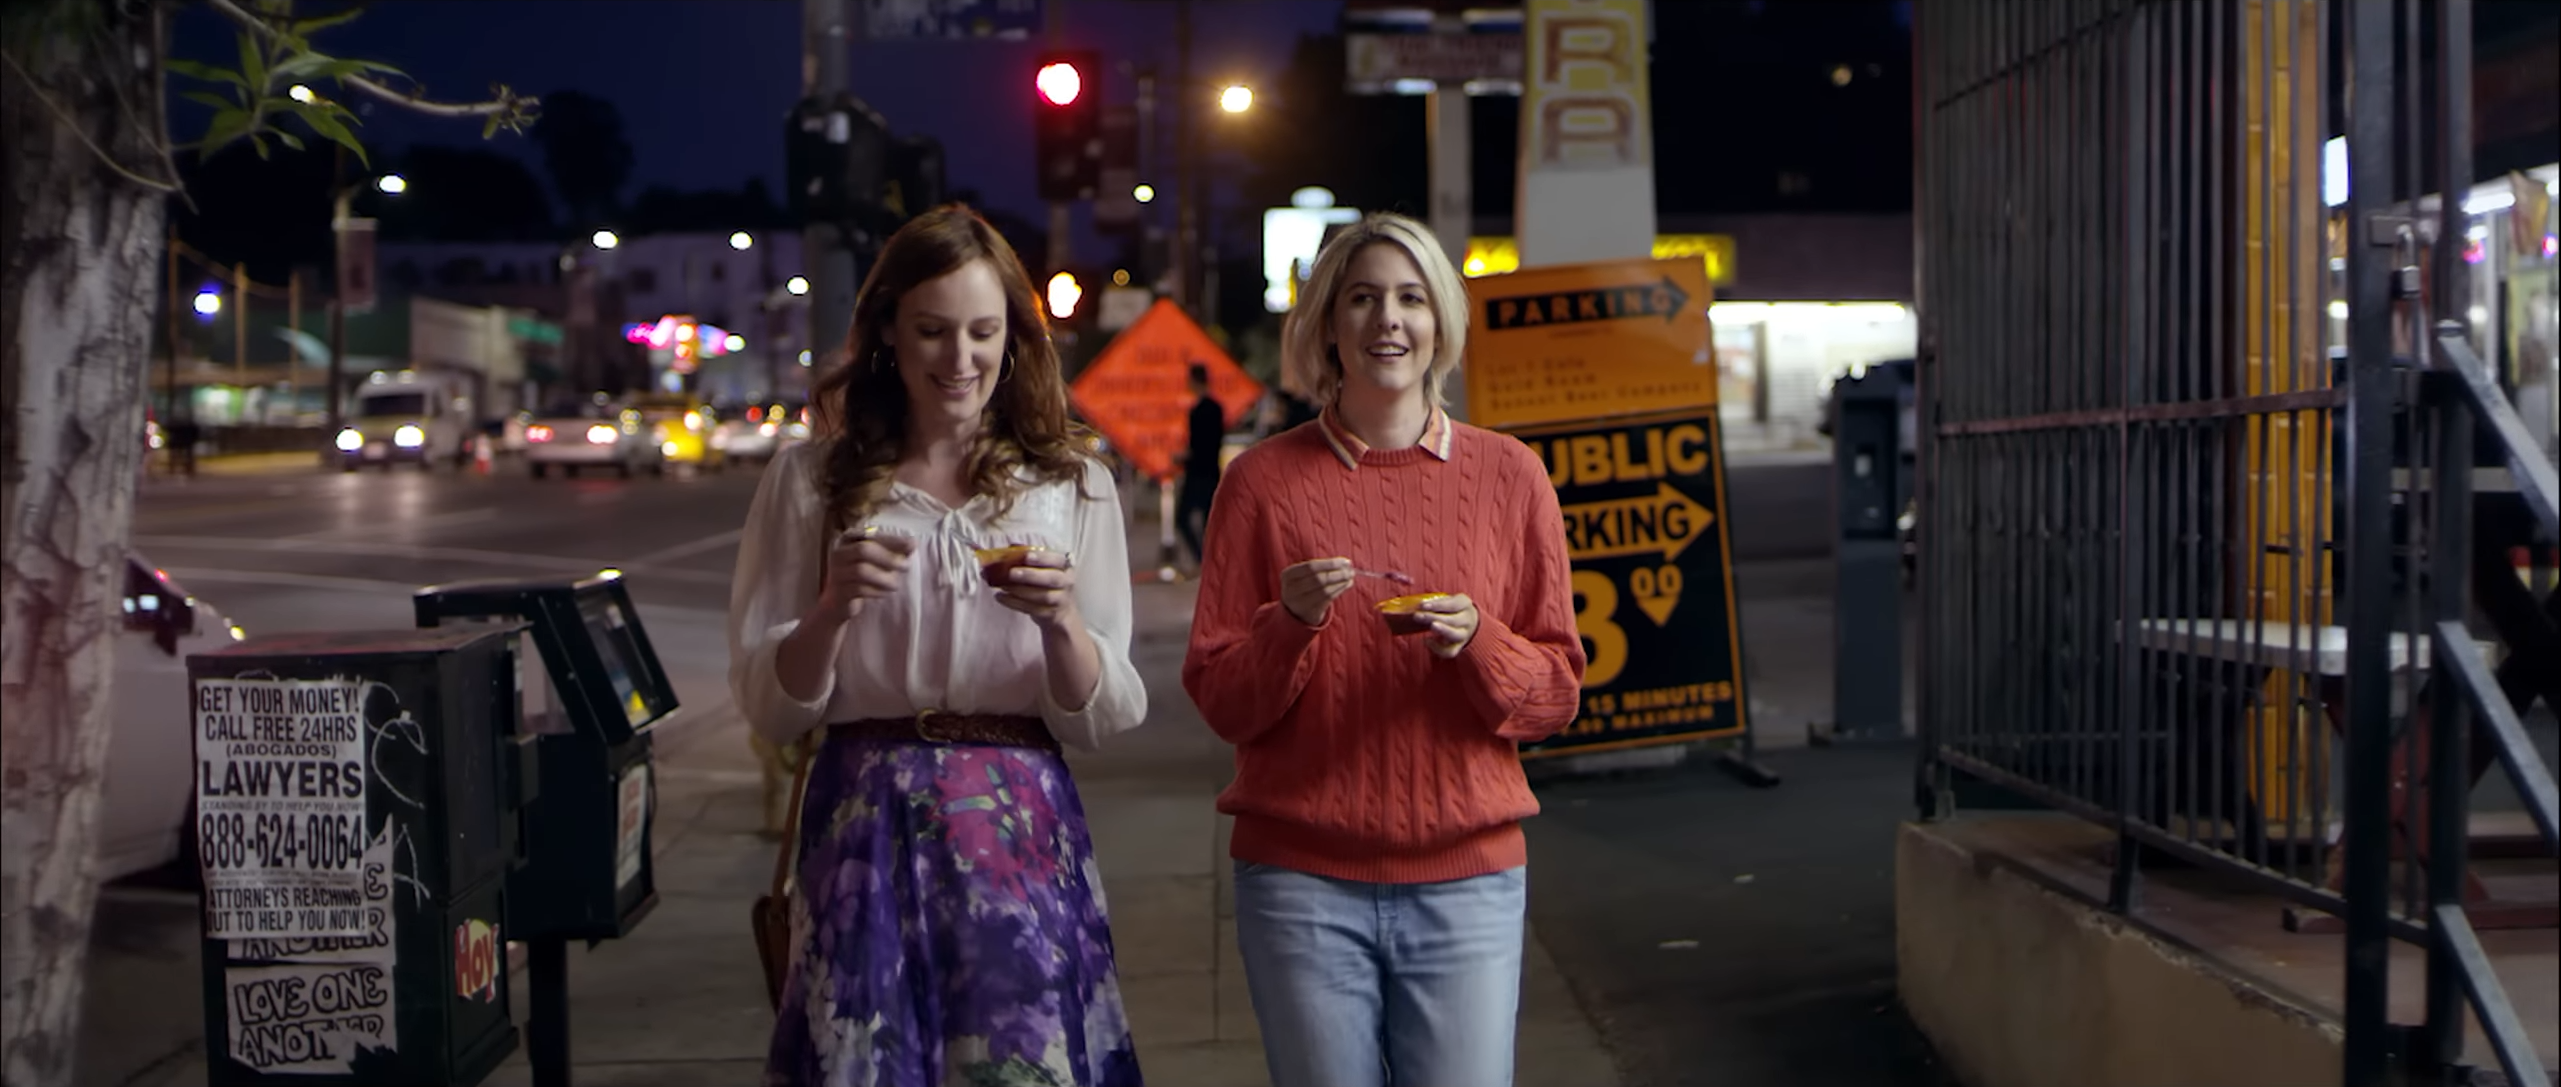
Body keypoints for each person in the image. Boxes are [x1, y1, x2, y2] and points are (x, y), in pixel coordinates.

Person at [727, 203, 1148, 1087]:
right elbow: (770, 704)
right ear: (886, 331)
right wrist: (833, 606)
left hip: (1017, 825)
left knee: (1017, 1064)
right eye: (931, 331)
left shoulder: (1072, 485)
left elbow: (1104, 713)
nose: (960, 361)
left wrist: (1061, 620)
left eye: (982, 333)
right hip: (862, 820)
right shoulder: (811, 481)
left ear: (1014, 338)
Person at [1179, 211, 1587, 1087]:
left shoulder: (1510, 475)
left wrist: (1480, 641)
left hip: (1468, 879)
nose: (1386, 320)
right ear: (1327, 322)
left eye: (1409, 298)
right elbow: (1220, 698)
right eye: (1360, 299)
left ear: (1440, 320)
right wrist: (1288, 623)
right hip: (1299, 881)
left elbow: (1555, 695)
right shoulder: (1258, 483)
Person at [1175, 363, 1223, 567]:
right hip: (1210, 471)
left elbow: (1203, 445)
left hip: (1199, 473)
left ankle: (1203, 560)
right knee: (1207, 521)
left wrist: (1185, 458)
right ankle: (1208, 561)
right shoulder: (1214, 407)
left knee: (1185, 518)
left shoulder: (1202, 410)